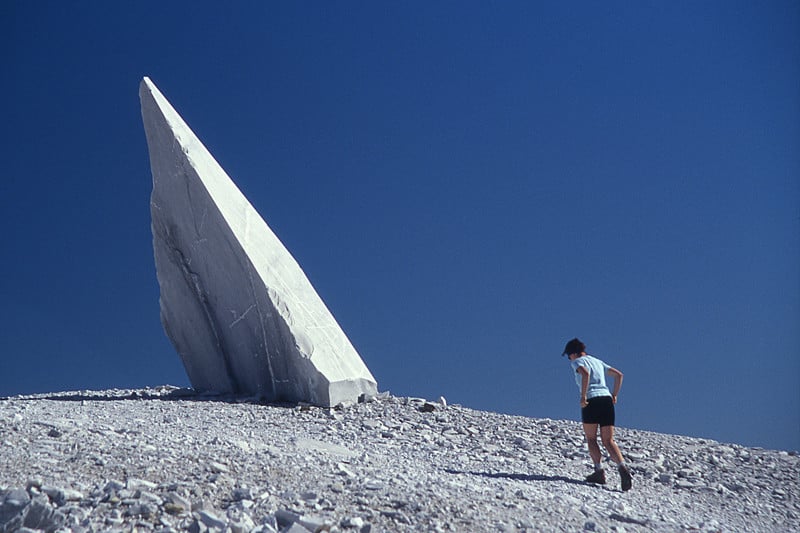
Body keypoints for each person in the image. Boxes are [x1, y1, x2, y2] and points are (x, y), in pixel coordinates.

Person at [562, 337, 632, 491]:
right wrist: (614, 394)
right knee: (609, 440)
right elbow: (619, 375)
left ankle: (599, 471)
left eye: (568, 356)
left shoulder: (577, 362)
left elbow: (585, 374)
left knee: (591, 438)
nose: (569, 359)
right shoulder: (597, 361)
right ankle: (622, 467)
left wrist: (583, 396)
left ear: (573, 353)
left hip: (591, 400)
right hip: (606, 399)